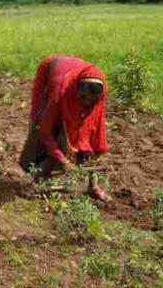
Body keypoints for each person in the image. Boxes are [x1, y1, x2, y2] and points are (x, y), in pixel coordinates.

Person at [19, 54, 111, 201]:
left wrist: (92, 151)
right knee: (42, 123)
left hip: (77, 70)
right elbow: (45, 131)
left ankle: (93, 187)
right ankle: (39, 179)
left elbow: (96, 131)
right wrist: (63, 160)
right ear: (76, 90)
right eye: (83, 98)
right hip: (52, 70)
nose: (85, 104)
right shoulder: (60, 93)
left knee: (88, 135)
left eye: (90, 101)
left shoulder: (97, 97)